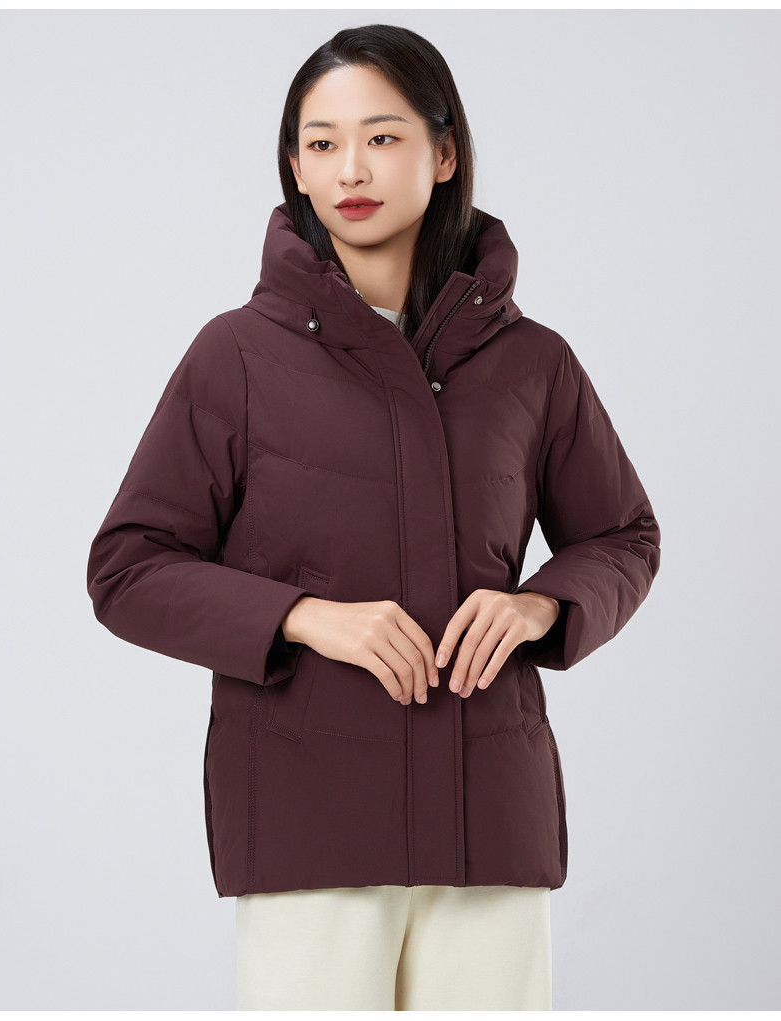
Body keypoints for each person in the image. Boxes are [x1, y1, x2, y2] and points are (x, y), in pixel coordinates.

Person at [86, 23, 661, 1012]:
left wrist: (540, 606)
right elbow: (128, 567)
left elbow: (622, 537)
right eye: (321, 143)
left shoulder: (532, 362)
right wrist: (304, 616)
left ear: (443, 155)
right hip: (310, 826)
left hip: (490, 822)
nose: (350, 168)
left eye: (382, 137)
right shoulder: (237, 357)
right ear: (296, 169)